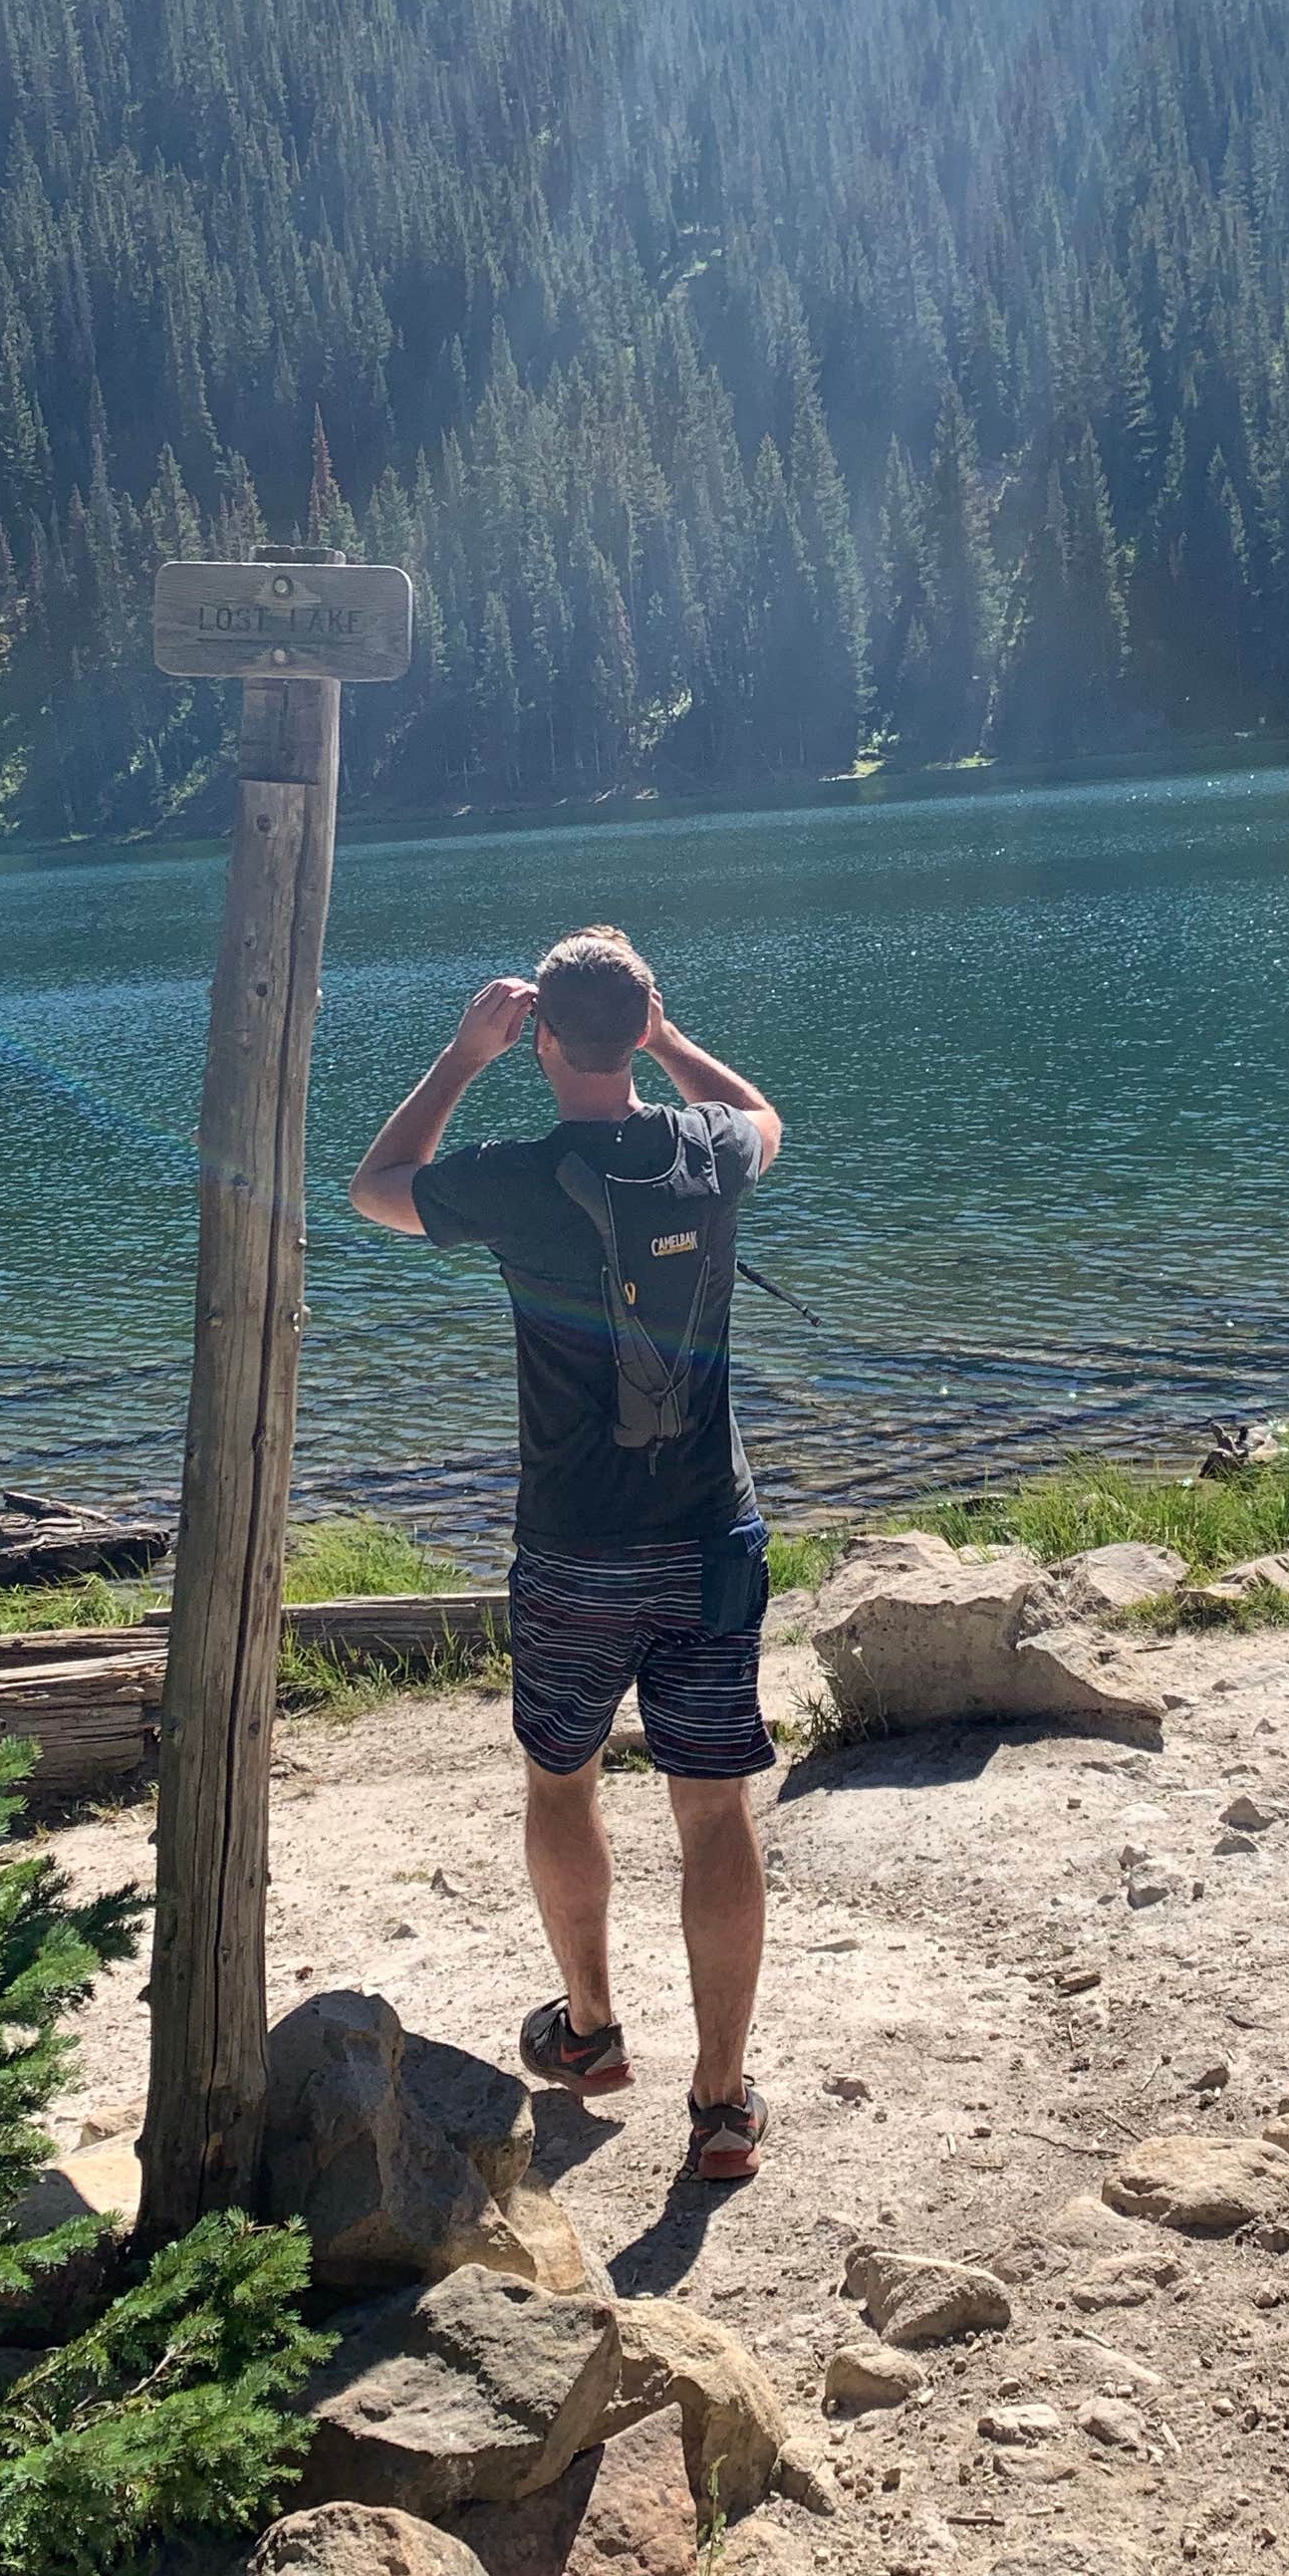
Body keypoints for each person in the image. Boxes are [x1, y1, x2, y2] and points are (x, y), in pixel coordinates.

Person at [347, 926, 782, 2186]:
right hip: (712, 1538)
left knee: (563, 1781)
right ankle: (721, 2103)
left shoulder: (515, 1178)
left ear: (541, 1038)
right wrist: (671, 1038)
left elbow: (377, 1184)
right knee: (713, 1810)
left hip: (576, 1551)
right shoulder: (709, 1153)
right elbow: (763, 1115)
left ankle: (589, 2034)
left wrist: (460, 1057)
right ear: (641, 1023)